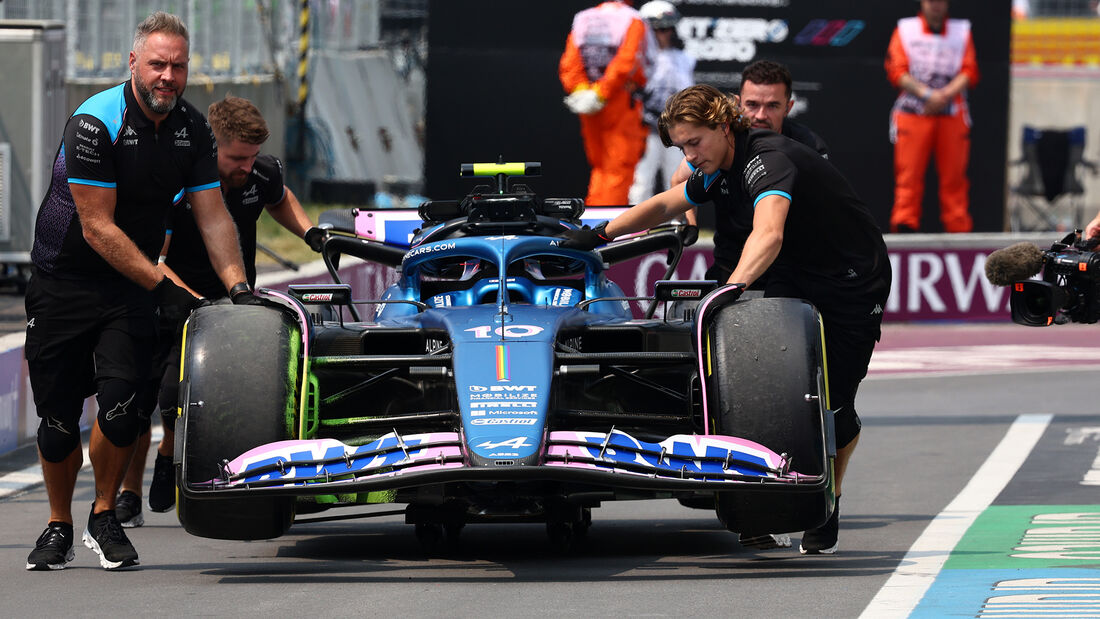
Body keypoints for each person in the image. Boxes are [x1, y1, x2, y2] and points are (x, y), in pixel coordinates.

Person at [562, 84, 891, 555]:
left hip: (853, 279)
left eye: (695, 142)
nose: (690, 155)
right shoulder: (717, 166)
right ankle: (760, 503)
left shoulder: (767, 158)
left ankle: (828, 500)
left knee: (833, 406)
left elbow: (770, 232)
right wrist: (595, 234)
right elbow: (665, 203)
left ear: (722, 126)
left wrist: (730, 287)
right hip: (797, 272)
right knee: (757, 382)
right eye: (681, 147)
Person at [23, 12, 266, 571]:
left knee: (124, 410)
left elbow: (212, 218)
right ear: (134, 62)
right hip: (63, 283)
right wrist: (165, 285)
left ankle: (103, 513)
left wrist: (239, 289)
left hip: (126, 289)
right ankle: (58, 522)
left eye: (178, 66)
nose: (167, 76)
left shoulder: (192, 130)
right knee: (59, 423)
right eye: (157, 64)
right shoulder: (94, 121)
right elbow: (97, 226)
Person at [114, 95, 322, 526]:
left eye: (252, 157)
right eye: (237, 158)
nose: (247, 166)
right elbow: (157, 258)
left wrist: (311, 234)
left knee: (183, 398)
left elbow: (279, 198)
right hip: (168, 296)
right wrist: (191, 299)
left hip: (229, 304)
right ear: (213, 146)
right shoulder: (178, 181)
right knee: (141, 403)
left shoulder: (258, 172)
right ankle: (129, 494)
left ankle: (172, 458)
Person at [670, 60, 830, 286]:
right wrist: (688, 225)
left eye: (773, 106)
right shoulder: (724, 139)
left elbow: (823, 217)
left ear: (789, 107)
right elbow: (679, 179)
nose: (760, 115)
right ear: (737, 103)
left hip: (792, 271)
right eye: (752, 104)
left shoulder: (809, 148)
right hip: (730, 266)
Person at [885, 0, 979, 233]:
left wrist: (943, 96)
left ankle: (958, 233)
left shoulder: (961, 31)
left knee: (954, 179)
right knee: (908, 177)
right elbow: (897, 70)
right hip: (912, 113)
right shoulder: (905, 29)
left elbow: (970, 70)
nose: (935, 5)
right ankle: (905, 229)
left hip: (952, 114)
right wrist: (928, 95)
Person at [560, 0, 653, 206]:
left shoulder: (583, 18)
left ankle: (594, 216)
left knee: (600, 166)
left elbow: (569, 62)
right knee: (619, 166)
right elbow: (627, 61)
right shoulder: (633, 19)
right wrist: (602, 92)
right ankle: (609, 223)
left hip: (588, 102)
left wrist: (582, 90)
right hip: (619, 102)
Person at [628, 1, 695, 205]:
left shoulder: (685, 58)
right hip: (644, 128)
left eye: (668, 28)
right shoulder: (636, 59)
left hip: (676, 129)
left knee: (677, 180)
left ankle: (676, 229)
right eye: (658, 28)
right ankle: (634, 231)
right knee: (641, 181)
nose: (664, 33)